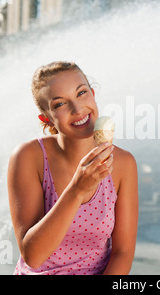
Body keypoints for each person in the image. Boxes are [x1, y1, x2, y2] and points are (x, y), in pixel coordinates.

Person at [7, 61, 138, 275]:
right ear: (46, 118)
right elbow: (33, 256)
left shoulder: (124, 163)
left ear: (93, 94)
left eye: (82, 93)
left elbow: (123, 252)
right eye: (60, 104)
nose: (78, 109)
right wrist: (77, 190)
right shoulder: (28, 157)